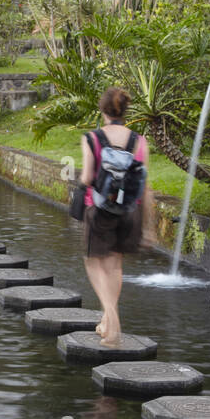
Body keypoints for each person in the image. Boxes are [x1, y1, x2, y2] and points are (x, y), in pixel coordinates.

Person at [79, 87, 150, 348]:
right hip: (131, 210)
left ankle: (113, 319)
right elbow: (145, 183)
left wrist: (80, 183)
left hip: (99, 209)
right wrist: (148, 223)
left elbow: (88, 177)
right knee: (115, 265)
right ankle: (107, 323)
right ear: (125, 111)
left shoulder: (92, 138)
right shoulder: (139, 141)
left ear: (103, 110)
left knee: (92, 261)